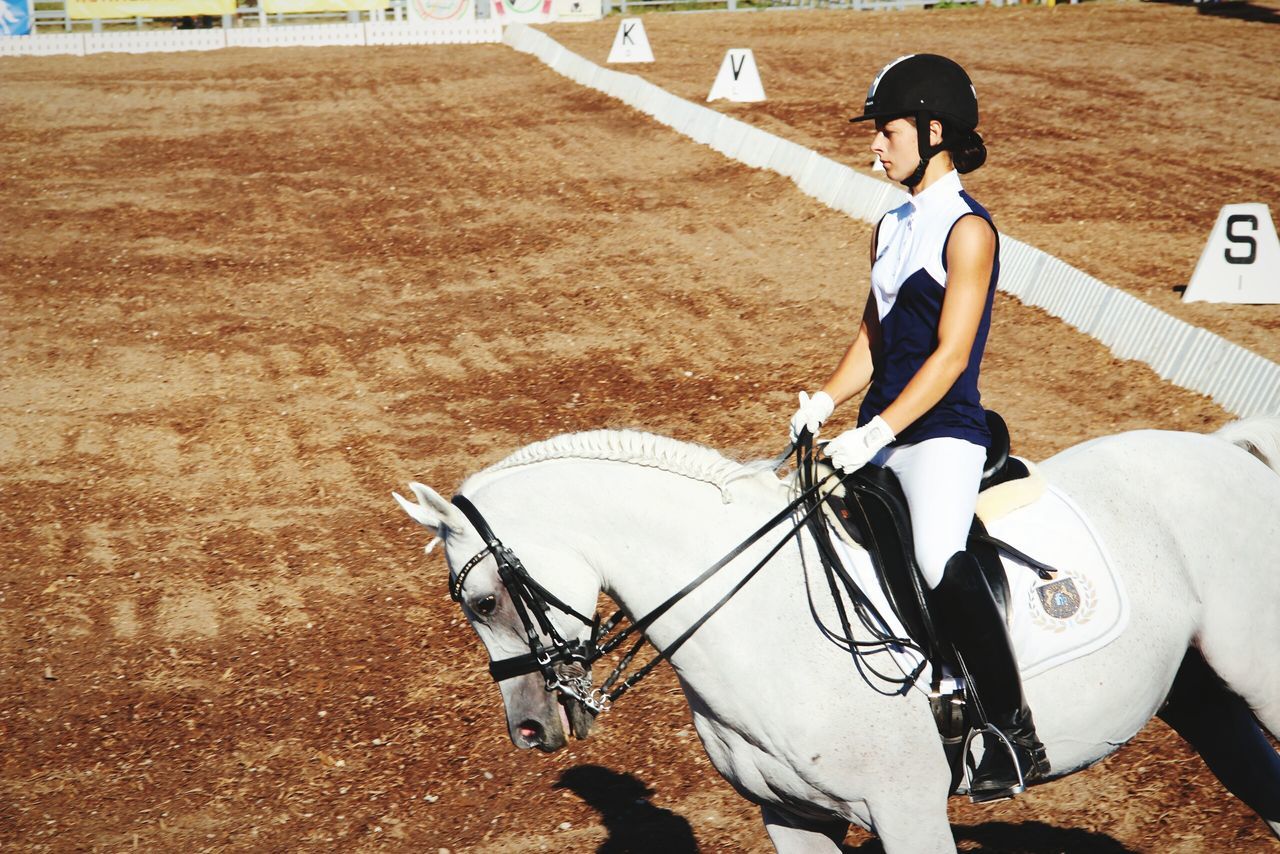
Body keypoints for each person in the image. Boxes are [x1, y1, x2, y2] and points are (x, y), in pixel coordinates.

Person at [787, 54, 1049, 802]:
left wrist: (878, 433)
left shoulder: (968, 231)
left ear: (935, 131)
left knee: (937, 553)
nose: (876, 146)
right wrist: (827, 401)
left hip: (941, 433)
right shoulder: (891, 225)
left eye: (888, 131)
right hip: (879, 427)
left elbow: (951, 355)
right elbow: (872, 339)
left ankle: (1008, 727)